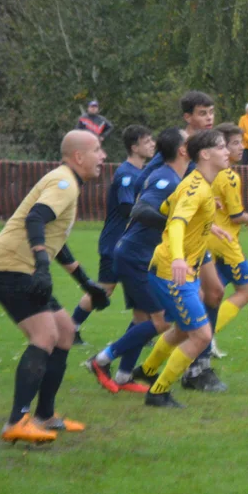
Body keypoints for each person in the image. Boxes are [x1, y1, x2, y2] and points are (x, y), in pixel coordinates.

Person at [0, 130, 108, 442]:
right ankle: (16, 421)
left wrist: (86, 283)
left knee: (66, 331)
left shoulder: (66, 182)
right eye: (98, 149)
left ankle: (45, 415)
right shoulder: (65, 182)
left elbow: (58, 241)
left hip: (19, 265)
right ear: (79, 157)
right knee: (45, 335)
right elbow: (35, 220)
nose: (103, 156)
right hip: (9, 266)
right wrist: (42, 265)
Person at [85, 128, 191, 394]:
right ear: (182, 150)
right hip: (133, 258)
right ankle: (100, 360)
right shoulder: (167, 179)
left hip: (140, 256)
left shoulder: (169, 173)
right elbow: (140, 209)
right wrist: (172, 223)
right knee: (162, 320)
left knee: (142, 317)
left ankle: (123, 376)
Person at [134, 130, 231, 407]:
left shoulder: (198, 184)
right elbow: (175, 221)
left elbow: (168, 207)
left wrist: (207, 224)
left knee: (181, 330)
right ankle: (158, 393)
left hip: (179, 270)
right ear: (205, 154)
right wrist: (177, 257)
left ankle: (148, 371)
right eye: (221, 147)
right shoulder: (196, 187)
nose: (227, 152)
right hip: (172, 271)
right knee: (200, 335)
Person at [70, 124, 154, 345]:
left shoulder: (142, 172)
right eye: (147, 142)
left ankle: (140, 335)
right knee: (105, 289)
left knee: (142, 287)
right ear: (134, 147)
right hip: (116, 242)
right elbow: (128, 208)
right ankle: (72, 328)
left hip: (131, 244)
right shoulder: (126, 174)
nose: (152, 144)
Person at [207, 123, 248, 357]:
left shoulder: (209, 172)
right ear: (222, 146)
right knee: (245, 292)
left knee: (213, 293)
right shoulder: (229, 177)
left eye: (242, 142)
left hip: (207, 240)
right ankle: (206, 335)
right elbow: (235, 216)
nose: (241, 147)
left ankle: (203, 339)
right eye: (235, 143)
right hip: (226, 244)